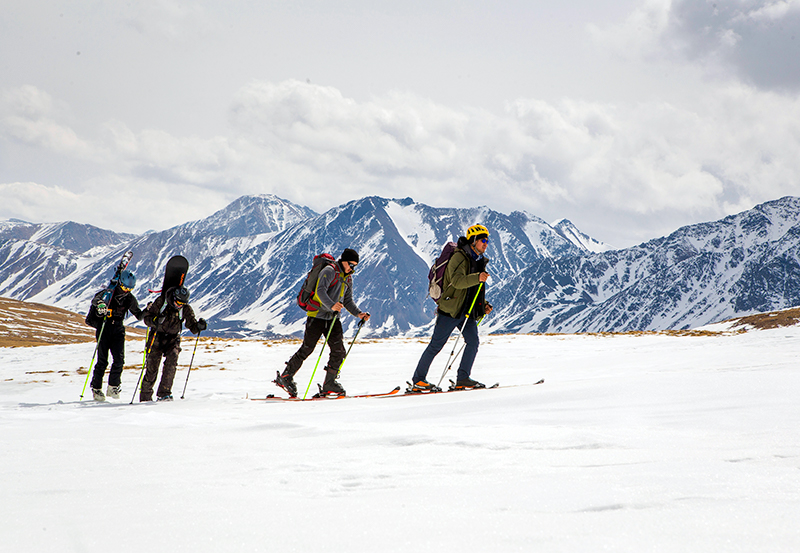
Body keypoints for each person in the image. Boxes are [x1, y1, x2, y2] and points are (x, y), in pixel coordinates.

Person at [275, 248, 370, 397]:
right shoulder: (329, 271)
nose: (352, 268)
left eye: (355, 266)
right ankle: (286, 376)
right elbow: (320, 291)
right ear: (344, 261)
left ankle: (329, 384)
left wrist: (359, 314)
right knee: (307, 348)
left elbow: (347, 301)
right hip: (317, 316)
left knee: (339, 351)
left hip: (333, 318)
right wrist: (331, 305)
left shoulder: (348, 278)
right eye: (351, 265)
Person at [410, 224, 493, 392]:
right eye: (483, 240)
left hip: (467, 311)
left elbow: (474, 288)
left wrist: (483, 305)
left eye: (487, 241)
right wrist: (478, 277)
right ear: (474, 241)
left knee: (473, 342)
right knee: (436, 345)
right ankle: (418, 380)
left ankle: (463, 378)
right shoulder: (459, 257)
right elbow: (457, 281)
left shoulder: (479, 260)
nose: (486, 244)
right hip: (450, 309)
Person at [140, 286, 206, 401]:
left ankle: (164, 394)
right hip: (156, 337)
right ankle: (145, 397)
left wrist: (199, 327)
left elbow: (193, 326)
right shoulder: (161, 302)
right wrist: (155, 321)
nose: (180, 305)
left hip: (172, 339)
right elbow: (147, 319)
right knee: (152, 368)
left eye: (183, 303)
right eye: (178, 302)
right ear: (174, 297)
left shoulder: (185, 308)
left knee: (171, 365)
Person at [87, 270, 143, 401]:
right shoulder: (108, 293)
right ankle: (96, 388)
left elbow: (139, 315)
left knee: (119, 360)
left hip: (118, 329)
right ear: (120, 283)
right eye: (125, 287)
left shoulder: (129, 298)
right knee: (102, 361)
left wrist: (149, 310)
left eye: (130, 288)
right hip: (104, 328)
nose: (127, 290)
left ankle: (113, 386)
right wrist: (101, 304)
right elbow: (95, 300)